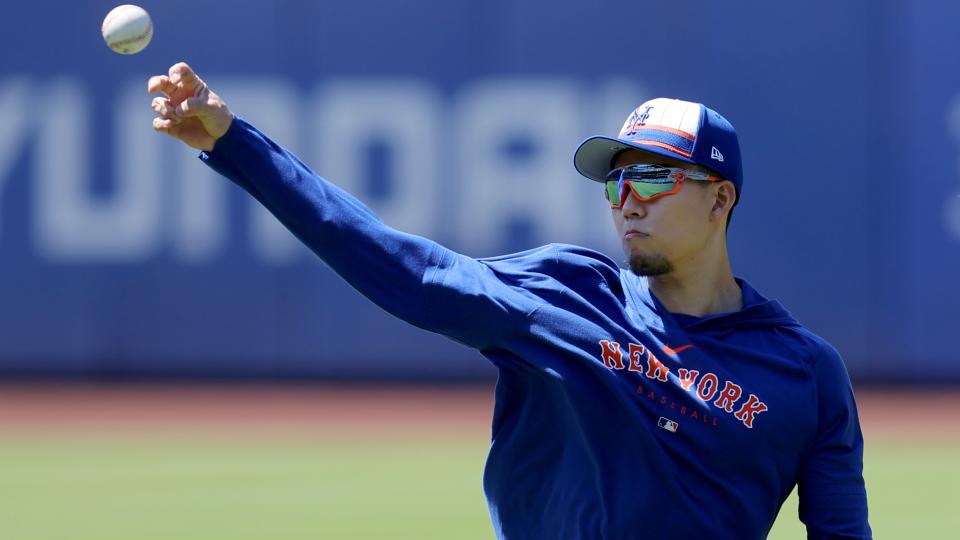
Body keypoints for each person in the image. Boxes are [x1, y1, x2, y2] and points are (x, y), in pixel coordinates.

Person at [148, 62, 871, 540]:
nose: (627, 202)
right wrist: (234, 144)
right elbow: (400, 264)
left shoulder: (805, 373)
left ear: (720, 199)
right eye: (616, 182)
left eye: (651, 178)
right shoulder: (563, 297)